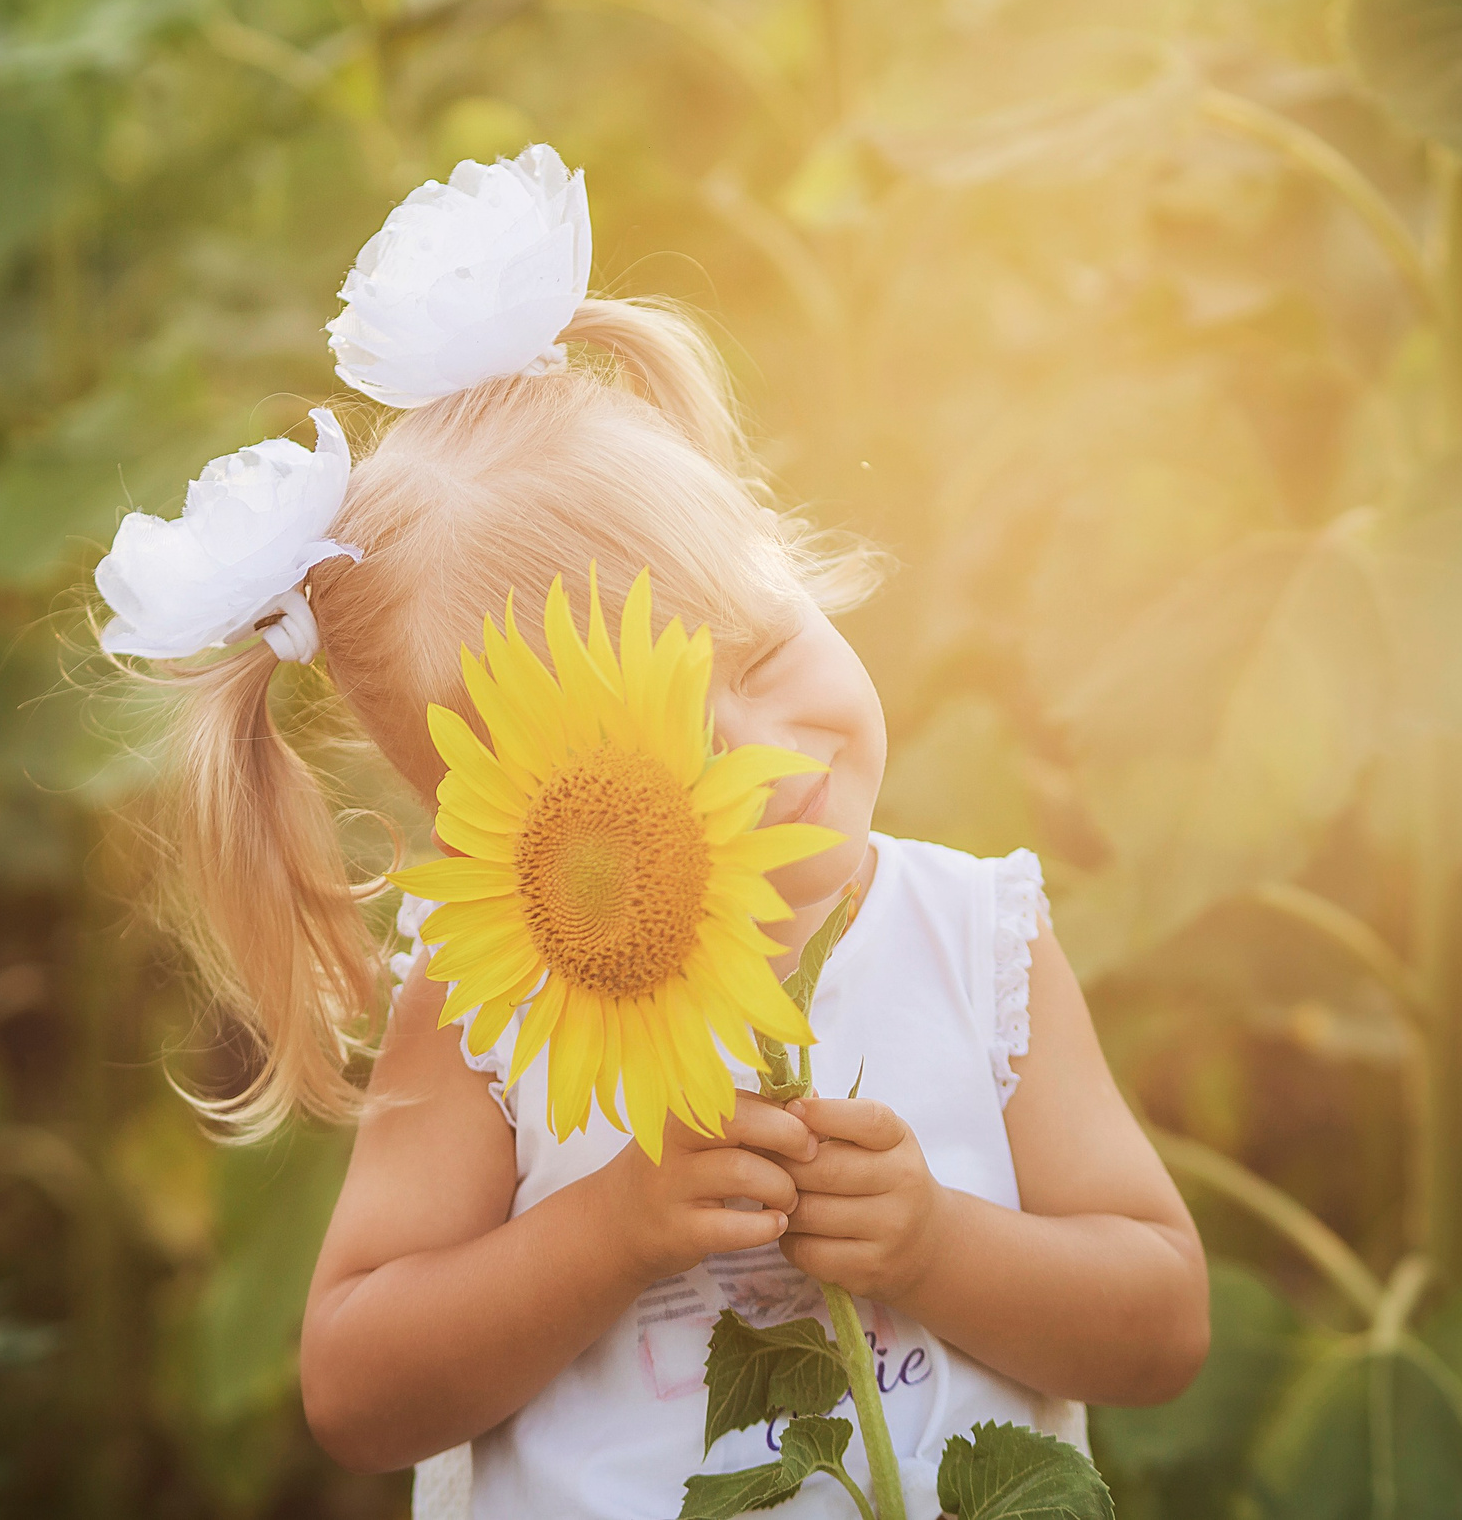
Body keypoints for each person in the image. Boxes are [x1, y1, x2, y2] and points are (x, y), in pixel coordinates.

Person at [96, 146, 1209, 1519]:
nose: (770, 754)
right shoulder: (486, 1007)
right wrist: (610, 1231)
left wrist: (936, 1246)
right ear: (527, 837)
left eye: (766, 643)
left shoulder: (973, 941)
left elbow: (1160, 1320)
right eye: (668, 750)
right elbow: (360, 1389)